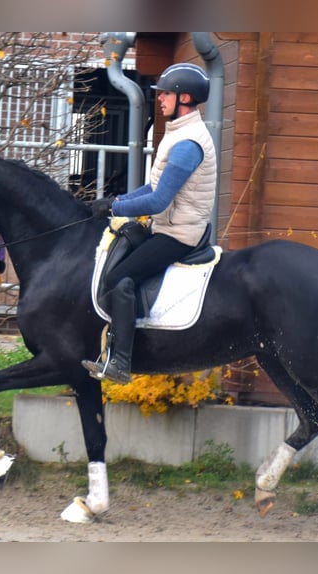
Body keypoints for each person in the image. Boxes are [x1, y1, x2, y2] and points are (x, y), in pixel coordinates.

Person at [82, 62, 217, 384]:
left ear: (185, 98)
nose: (160, 99)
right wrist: (115, 202)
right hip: (167, 226)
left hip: (179, 235)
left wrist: (114, 207)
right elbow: (152, 189)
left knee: (121, 278)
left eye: (166, 94)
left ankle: (121, 363)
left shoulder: (187, 144)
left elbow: (158, 201)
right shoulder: (180, 134)